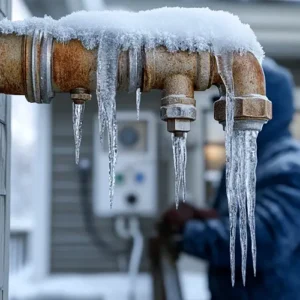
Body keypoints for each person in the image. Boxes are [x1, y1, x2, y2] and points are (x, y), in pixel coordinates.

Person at [159, 58, 300, 300]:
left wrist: (187, 233)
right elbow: (239, 219)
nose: (225, 117)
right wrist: (201, 216)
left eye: (234, 106)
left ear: (263, 109)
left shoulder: (288, 167)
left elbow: (264, 241)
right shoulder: (246, 160)